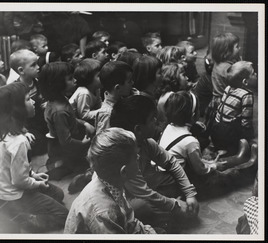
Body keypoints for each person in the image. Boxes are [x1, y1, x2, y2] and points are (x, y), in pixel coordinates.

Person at [0, 82, 68, 233]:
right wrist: (37, 184)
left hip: (2, 186)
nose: (34, 101)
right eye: (28, 99)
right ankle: (18, 217)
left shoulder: (2, 130)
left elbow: (13, 167)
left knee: (58, 194)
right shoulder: (18, 142)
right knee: (63, 215)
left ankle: (6, 205)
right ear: (17, 109)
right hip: (14, 194)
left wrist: (34, 175)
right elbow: (19, 181)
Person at [110, 95, 199, 231]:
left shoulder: (146, 143)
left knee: (175, 180)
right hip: (125, 198)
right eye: (152, 118)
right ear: (138, 129)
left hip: (143, 184)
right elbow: (144, 192)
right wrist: (175, 205)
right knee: (141, 207)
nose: (156, 121)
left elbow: (171, 162)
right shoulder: (125, 157)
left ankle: (166, 214)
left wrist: (189, 193)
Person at [64, 127, 157, 234]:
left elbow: (128, 216)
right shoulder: (105, 213)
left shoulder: (108, 179)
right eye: (135, 156)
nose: (139, 157)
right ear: (124, 172)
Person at [38, 62, 95, 180]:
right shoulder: (59, 111)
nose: (75, 80)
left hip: (70, 139)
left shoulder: (60, 99)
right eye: (70, 79)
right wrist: (84, 143)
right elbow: (66, 142)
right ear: (57, 84)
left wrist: (85, 123)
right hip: (64, 148)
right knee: (90, 162)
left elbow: (71, 118)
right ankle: (62, 167)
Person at [211, 61, 256, 155]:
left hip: (215, 126)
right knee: (244, 139)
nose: (256, 74)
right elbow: (246, 120)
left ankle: (221, 150)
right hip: (227, 132)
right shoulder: (246, 95)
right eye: (253, 73)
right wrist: (248, 135)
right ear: (245, 82)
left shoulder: (228, 88)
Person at [9, 49, 48, 156]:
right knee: (37, 143)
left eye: (37, 64)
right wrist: (24, 131)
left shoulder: (38, 82)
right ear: (21, 71)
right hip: (28, 125)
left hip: (42, 120)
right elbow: (14, 115)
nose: (38, 67)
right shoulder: (15, 89)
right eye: (33, 65)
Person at [205, 32, 241, 132]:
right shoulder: (228, 69)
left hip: (216, 99)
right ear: (226, 52)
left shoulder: (219, 63)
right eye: (237, 46)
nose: (240, 48)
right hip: (225, 101)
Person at [95, 61, 134, 134]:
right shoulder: (107, 114)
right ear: (118, 88)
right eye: (129, 81)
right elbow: (103, 142)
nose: (132, 83)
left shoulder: (122, 100)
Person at [69, 58, 102, 124]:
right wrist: (103, 111)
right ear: (88, 79)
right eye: (99, 75)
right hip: (73, 121)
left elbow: (98, 104)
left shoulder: (96, 89)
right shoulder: (84, 93)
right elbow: (84, 115)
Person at [156, 63, 189, 129]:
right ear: (174, 77)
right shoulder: (173, 98)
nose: (187, 78)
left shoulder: (167, 94)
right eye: (184, 75)